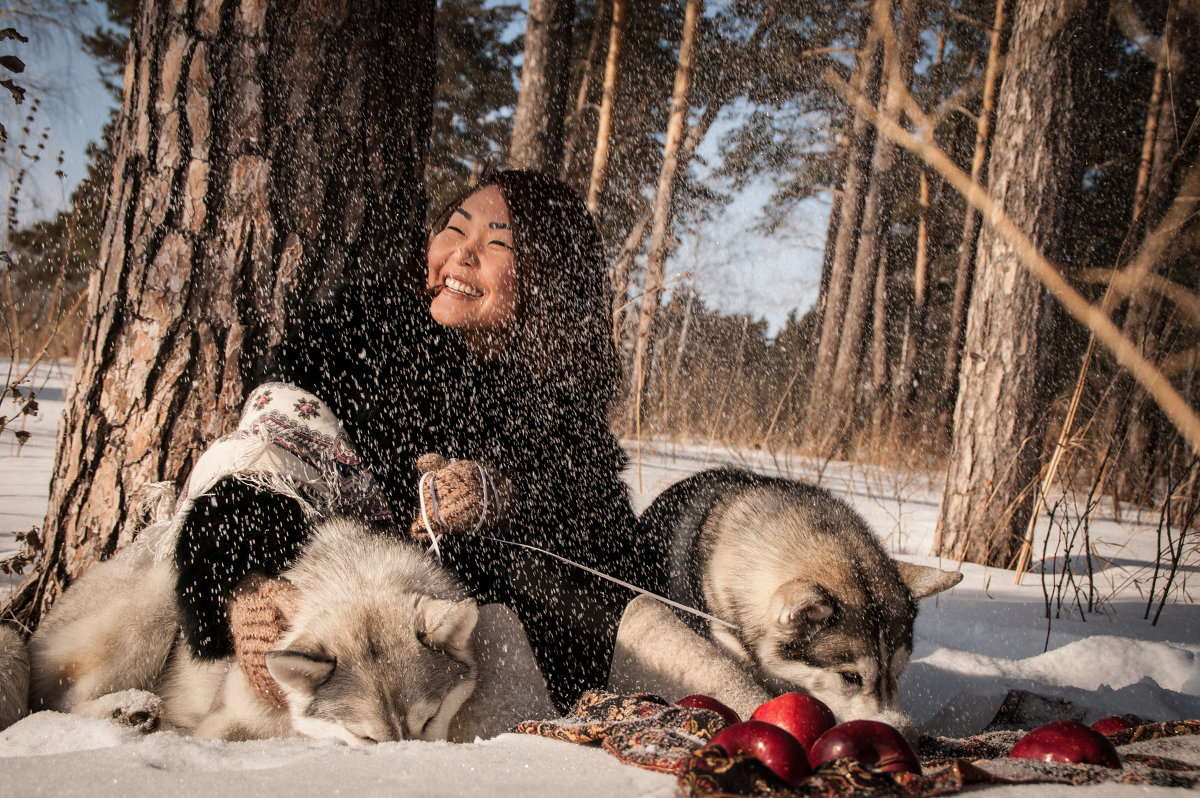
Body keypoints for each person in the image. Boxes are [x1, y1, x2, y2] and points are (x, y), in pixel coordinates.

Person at [170, 168, 644, 712]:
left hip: (451, 667)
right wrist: (246, 584)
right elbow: (272, 452)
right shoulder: (360, 335)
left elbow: (606, 563)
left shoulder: (557, 408)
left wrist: (507, 499)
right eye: (454, 230)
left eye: (496, 244)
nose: (461, 255)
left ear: (548, 281)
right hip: (330, 632)